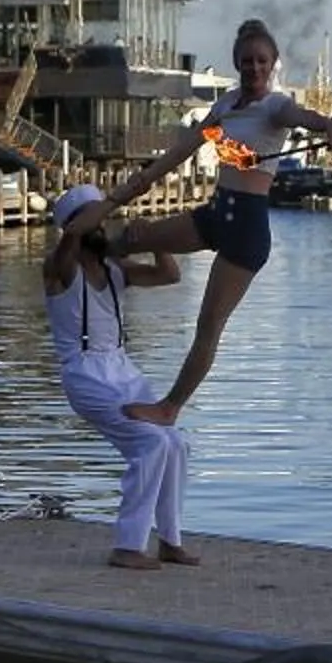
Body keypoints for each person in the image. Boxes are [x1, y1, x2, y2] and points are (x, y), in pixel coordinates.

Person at [94, 19, 332, 426]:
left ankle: (169, 408)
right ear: (236, 62)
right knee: (126, 237)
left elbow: (305, 116)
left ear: (273, 64)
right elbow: (184, 150)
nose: (254, 67)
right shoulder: (225, 107)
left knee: (208, 323)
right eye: (247, 60)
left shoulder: (275, 107)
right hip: (215, 213)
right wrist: (140, 183)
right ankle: (154, 275)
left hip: (245, 231)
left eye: (261, 61)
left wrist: (331, 125)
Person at [41, 182, 196, 570]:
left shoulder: (114, 269)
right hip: (86, 373)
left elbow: (169, 274)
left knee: (174, 443)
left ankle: (170, 541)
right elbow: (74, 235)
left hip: (123, 370)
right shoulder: (60, 268)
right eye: (94, 221)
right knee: (150, 445)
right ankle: (127, 547)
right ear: (75, 227)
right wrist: (102, 208)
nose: (101, 227)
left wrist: (153, 239)